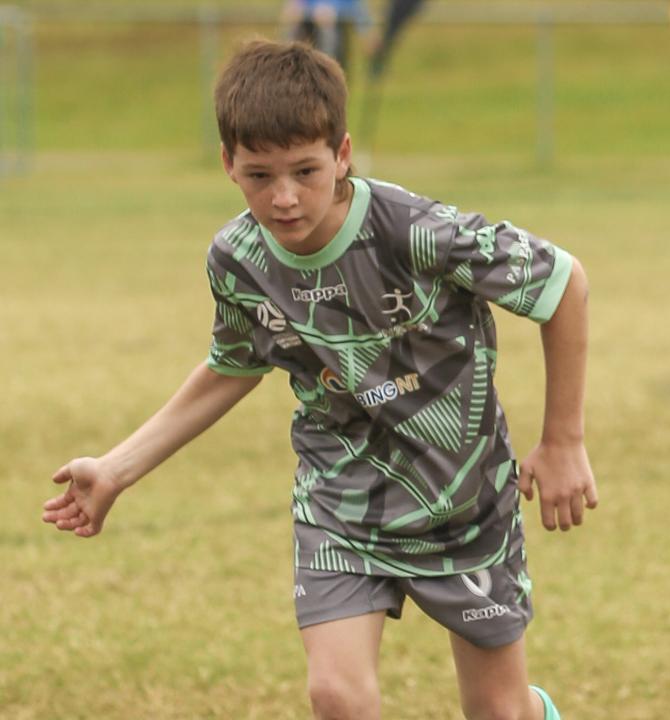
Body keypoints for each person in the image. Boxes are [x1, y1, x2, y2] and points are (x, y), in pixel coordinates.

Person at [41, 40, 595, 720]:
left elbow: (563, 282)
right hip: (342, 496)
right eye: (258, 175)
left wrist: (563, 440)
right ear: (228, 165)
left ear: (342, 154)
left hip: (460, 494)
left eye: (305, 170)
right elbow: (232, 366)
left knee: (499, 712)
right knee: (337, 695)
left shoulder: (414, 231)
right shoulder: (237, 258)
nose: (283, 198)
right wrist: (118, 468)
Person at [282, 0, 369, 70]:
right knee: (294, 27)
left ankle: (326, 73)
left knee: (327, 29)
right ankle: (289, 73)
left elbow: (355, 8)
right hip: (308, 23)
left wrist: (335, 10)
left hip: (335, 26)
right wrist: (297, 6)